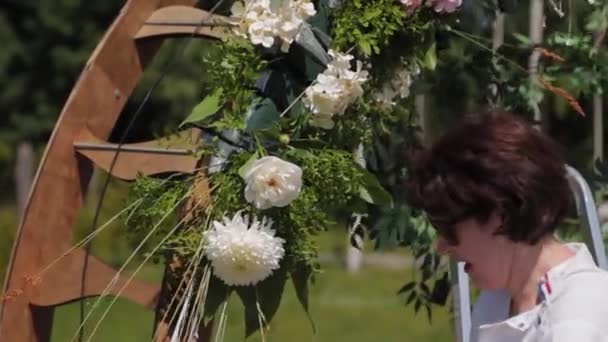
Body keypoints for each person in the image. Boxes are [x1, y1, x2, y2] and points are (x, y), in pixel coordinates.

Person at [405, 111, 608, 342]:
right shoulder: (500, 299)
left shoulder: (573, 324)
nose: (442, 246)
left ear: (500, 214)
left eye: (447, 227)